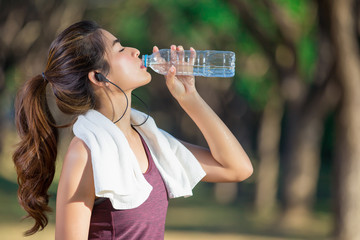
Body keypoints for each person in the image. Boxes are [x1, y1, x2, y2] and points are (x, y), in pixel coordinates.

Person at [13, 20, 253, 239]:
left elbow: (237, 168)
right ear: (98, 77)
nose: (135, 51)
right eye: (119, 49)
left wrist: (189, 97)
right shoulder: (85, 153)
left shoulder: (151, 141)